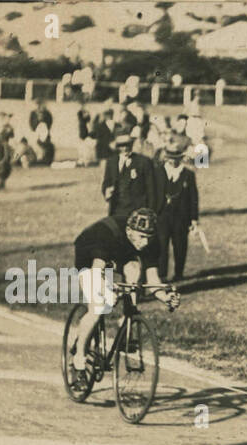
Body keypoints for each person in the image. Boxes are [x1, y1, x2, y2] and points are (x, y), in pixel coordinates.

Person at [68, 207, 178, 381]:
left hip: (120, 255)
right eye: (141, 237)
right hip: (89, 254)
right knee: (98, 308)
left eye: (149, 238)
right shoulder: (107, 235)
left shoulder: (149, 242)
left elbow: (152, 279)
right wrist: (107, 290)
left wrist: (165, 297)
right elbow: (97, 271)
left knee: (134, 270)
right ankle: (78, 360)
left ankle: (127, 318)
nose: (146, 243)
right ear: (129, 231)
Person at [156, 135, 199, 281]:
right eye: (170, 157)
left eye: (176, 157)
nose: (173, 160)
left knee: (180, 245)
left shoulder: (188, 174)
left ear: (181, 158)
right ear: (166, 157)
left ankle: (179, 272)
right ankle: (162, 274)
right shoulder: (158, 173)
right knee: (161, 245)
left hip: (181, 216)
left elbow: (194, 197)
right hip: (162, 216)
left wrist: (194, 218)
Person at [102, 132, 158, 218]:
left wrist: (149, 212)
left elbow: (151, 190)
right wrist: (107, 191)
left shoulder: (143, 162)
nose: (125, 148)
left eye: (128, 145)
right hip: (117, 210)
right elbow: (106, 183)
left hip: (137, 211)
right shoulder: (111, 162)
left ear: (132, 145)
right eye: (121, 146)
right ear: (117, 147)